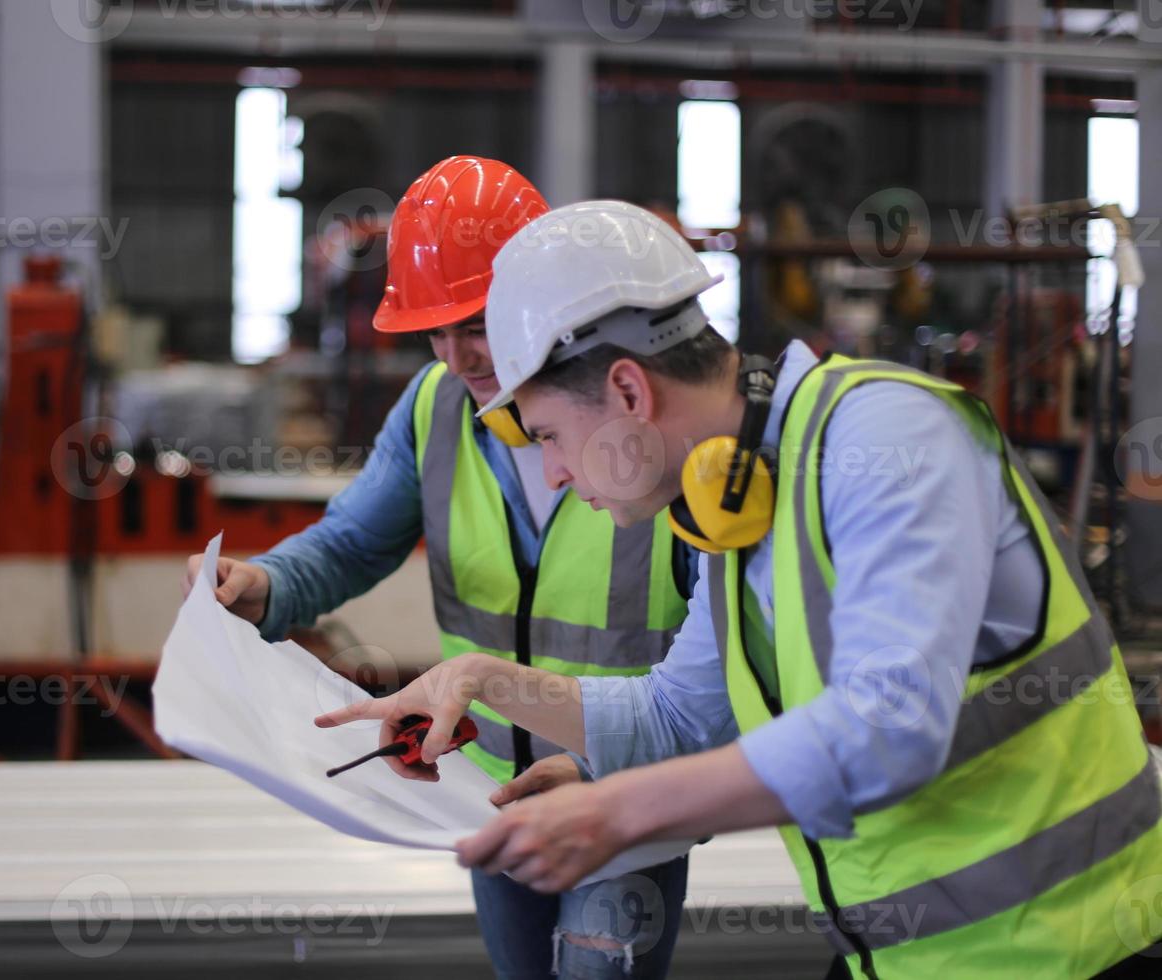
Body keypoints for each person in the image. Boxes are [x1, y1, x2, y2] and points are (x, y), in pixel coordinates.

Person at [316, 200, 1162, 979]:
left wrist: (621, 813)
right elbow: (675, 719)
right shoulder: (734, 511)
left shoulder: (886, 437)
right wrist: (480, 680)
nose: (560, 474)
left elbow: (889, 729)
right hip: (902, 962)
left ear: (627, 391)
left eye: (548, 436)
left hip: (1077, 951)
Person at [187, 163, 701, 979]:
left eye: (476, 322)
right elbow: (353, 541)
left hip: (622, 789)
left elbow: (719, 680)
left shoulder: (637, 432)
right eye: (436, 330)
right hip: (493, 786)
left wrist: (616, 770)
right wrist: (270, 586)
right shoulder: (434, 411)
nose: (459, 355)